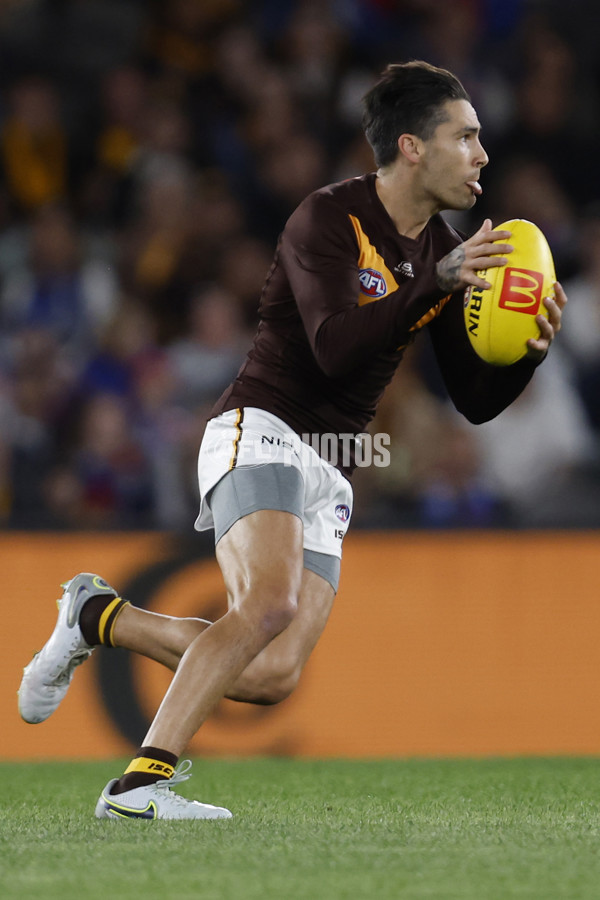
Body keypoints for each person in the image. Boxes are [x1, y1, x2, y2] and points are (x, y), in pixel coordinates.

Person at [18, 61, 566, 820]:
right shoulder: (328, 218)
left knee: (272, 674)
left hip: (331, 463)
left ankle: (96, 619)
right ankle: (139, 785)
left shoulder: (442, 246)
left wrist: (528, 350)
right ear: (412, 146)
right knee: (267, 603)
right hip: (260, 426)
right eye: (465, 137)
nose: (481, 154)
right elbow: (336, 347)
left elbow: (473, 403)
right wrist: (436, 283)